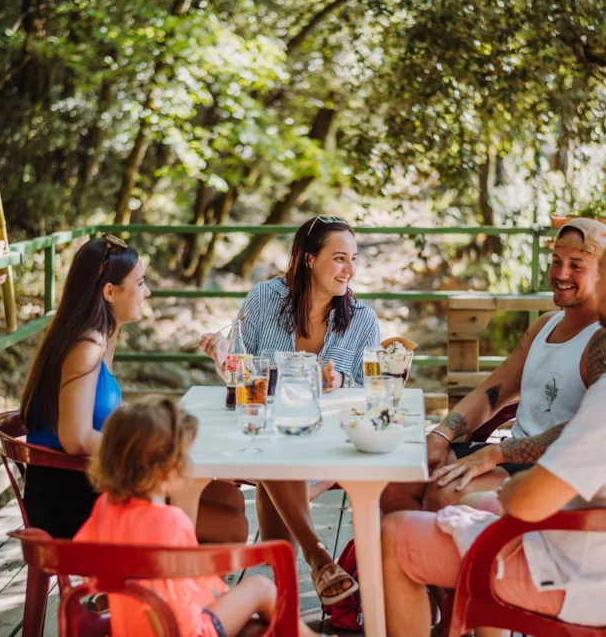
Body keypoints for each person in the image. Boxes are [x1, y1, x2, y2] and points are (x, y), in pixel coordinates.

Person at [381, 215, 606, 637]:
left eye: (600, 277)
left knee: (393, 535)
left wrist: (500, 476)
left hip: (582, 579)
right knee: (459, 504)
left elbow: (525, 503)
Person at [380, 218, 606, 515]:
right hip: (510, 454)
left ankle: (450, 556)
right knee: (393, 478)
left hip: (554, 472)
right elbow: (491, 393)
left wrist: (494, 454)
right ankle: (409, 553)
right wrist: (441, 435)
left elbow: (593, 426)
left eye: (576, 265)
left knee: (445, 492)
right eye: (556, 261)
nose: (561, 274)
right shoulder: (545, 325)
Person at [198, 215, 380, 606]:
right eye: (339, 258)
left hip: (328, 454)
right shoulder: (264, 299)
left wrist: (341, 382)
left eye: (354, 258)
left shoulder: (362, 320)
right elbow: (240, 374)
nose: (350, 270)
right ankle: (312, 565)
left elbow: (373, 398)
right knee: (276, 457)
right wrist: (223, 356)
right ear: (309, 259)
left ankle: (287, 588)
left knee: (275, 464)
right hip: (264, 443)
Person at [20, 235, 247, 542]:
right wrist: (149, 461)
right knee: (232, 525)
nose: (147, 292)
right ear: (110, 292)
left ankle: (171, 585)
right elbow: (75, 439)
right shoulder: (85, 346)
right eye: (140, 283)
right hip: (70, 498)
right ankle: (161, 586)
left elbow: (102, 420)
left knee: (229, 498)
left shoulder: (100, 335)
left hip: (91, 478)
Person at [75, 396, 328, 637]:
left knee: (254, 619)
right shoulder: (171, 521)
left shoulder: (105, 506)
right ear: (166, 469)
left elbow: (86, 564)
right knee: (261, 587)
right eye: (184, 457)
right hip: (185, 631)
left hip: (129, 628)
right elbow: (195, 587)